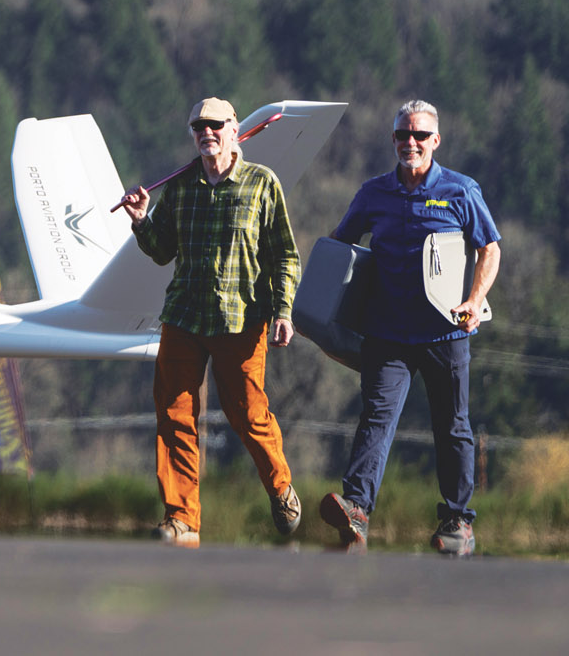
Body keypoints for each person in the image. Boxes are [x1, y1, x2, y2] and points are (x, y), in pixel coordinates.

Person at [118, 97, 302, 548]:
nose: (207, 132)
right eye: (199, 126)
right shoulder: (180, 187)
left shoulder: (261, 184)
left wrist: (282, 311)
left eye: (215, 125)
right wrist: (141, 220)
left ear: (234, 129)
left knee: (248, 414)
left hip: (242, 320)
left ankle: (280, 488)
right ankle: (182, 517)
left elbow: (285, 255)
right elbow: (162, 250)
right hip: (184, 315)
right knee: (175, 414)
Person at [318, 100, 500, 557]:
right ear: (393, 140)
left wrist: (475, 301)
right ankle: (356, 509)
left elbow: (490, 249)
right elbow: (339, 248)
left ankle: (457, 520)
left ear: (436, 141)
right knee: (376, 419)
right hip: (386, 334)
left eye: (420, 136)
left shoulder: (460, 191)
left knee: (453, 427)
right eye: (403, 135)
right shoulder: (373, 193)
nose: (411, 143)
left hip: (446, 334)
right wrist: (316, 315)